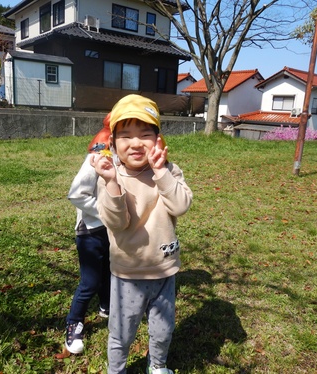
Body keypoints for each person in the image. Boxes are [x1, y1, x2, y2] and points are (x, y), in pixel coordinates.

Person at [90, 94, 193, 374]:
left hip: (164, 268)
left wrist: (161, 173)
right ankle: (117, 370)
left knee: (163, 329)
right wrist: (111, 182)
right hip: (128, 274)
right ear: (112, 143)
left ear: (158, 139)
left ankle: (158, 365)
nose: (135, 143)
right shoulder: (113, 176)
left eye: (145, 134)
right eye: (125, 136)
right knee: (121, 333)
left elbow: (181, 205)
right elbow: (116, 222)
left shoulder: (170, 171)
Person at [63, 115, 113, 355]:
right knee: (90, 281)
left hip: (112, 230)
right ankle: (74, 322)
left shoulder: (126, 156)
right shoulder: (98, 154)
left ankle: (106, 306)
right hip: (90, 231)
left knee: (108, 272)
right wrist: (106, 212)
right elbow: (76, 194)